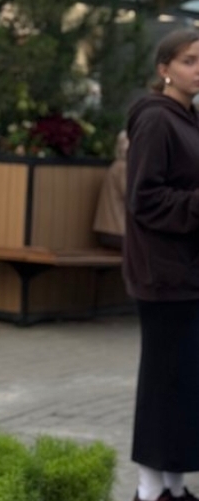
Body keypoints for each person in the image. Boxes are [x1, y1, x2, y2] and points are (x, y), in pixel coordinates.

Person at [123, 27, 199, 501]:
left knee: (183, 386)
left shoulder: (187, 118)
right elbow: (145, 200)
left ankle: (174, 485)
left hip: (188, 275)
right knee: (163, 386)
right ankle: (149, 491)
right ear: (164, 69)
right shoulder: (155, 119)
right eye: (190, 60)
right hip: (164, 276)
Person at [93, 129, 129, 249]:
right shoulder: (124, 168)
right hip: (117, 231)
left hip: (109, 230)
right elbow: (132, 197)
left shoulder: (117, 166)